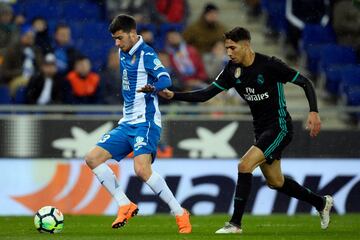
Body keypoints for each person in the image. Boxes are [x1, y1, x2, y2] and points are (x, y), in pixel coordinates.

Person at [154, 27, 333, 234]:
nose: (228, 53)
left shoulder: (270, 65)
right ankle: (321, 202)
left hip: (280, 126)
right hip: (261, 129)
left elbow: (305, 82)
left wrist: (313, 112)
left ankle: (235, 224)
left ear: (246, 45)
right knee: (276, 182)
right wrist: (173, 95)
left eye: (232, 48)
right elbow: (205, 95)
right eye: (226, 48)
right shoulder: (232, 70)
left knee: (244, 165)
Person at [84, 14, 192, 234]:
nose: (116, 43)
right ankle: (125, 204)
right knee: (92, 158)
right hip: (127, 122)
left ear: (133, 34)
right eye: (114, 39)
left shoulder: (147, 54)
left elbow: (165, 79)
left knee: (142, 170)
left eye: (119, 38)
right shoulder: (123, 52)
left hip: (146, 121)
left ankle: (180, 212)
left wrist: (153, 87)